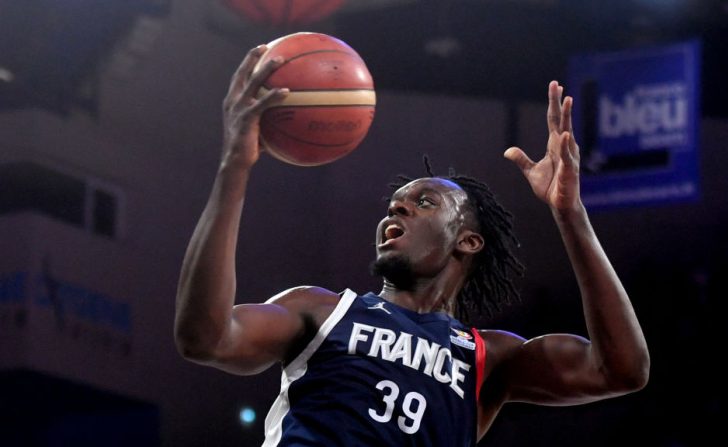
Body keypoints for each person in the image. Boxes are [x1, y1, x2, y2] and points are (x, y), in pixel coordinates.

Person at [174, 45, 650, 446]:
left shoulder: (490, 359)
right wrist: (234, 166)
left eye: (423, 202)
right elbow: (205, 338)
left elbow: (623, 370)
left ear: (468, 241)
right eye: (394, 204)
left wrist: (571, 216)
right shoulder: (320, 312)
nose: (395, 210)